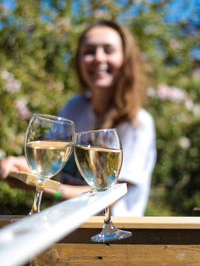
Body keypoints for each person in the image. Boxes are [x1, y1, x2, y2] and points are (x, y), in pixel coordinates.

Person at [0, 20, 156, 216]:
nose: (98, 58)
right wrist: (18, 166)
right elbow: (47, 161)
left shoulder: (138, 122)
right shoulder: (74, 107)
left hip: (111, 237)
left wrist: (51, 189)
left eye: (108, 50)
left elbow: (112, 196)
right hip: (64, 228)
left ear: (126, 60)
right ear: (79, 61)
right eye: (89, 51)